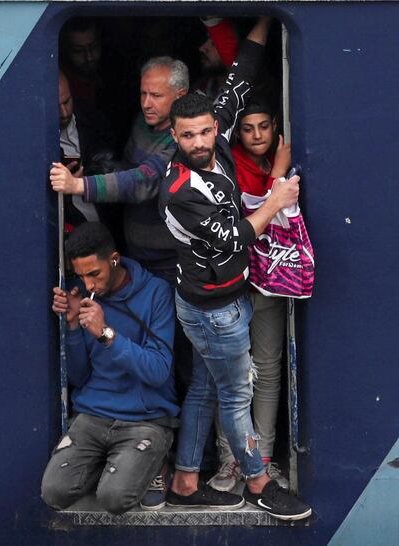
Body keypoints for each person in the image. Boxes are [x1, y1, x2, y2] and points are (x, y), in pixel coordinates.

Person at [159, 17, 312, 521]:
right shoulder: (181, 189)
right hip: (214, 309)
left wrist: (265, 19)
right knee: (235, 393)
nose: (201, 142)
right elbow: (236, 236)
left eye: (205, 131)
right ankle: (259, 480)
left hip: (218, 298)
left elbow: (241, 72)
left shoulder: (217, 128)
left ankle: (184, 479)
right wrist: (277, 195)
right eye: (188, 136)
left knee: (206, 386)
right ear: (174, 137)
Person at [41, 222, 178, 514]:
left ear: (114, 260)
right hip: (95, 414)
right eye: (81, 276)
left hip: (146, 418)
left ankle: (155, 463)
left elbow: (158, 371)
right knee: (54, 492)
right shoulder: (83, 295)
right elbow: (79, 377)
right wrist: (74, 326)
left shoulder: (156, 293)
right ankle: (116, 464)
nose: (89, 285)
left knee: (114, 499)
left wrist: (106, 334)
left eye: (94, 274)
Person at [208, 99, 292, 492]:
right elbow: (255, 213)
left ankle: (265, 458)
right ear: (236, 133)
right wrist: (277, 174)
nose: (257, 135)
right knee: (232, 374)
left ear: (275, 125)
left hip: (271, 279)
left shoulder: (283, 158)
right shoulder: (230, 165)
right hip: (232, 282)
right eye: (248, 128)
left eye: (264, 126)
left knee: (270, 369)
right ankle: (231, 460)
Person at [50, 55, 187, 282]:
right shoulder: (144, 121)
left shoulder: (184, 136)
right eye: (143, 93)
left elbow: (143, 180)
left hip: (171, 262)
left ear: (180, 95)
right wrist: (97, 168)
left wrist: (78, 185)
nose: (146, 103)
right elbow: (127, 167)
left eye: (156, 95)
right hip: (134, 253)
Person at [58, 71, 119, 230]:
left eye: (67, 102)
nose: (64, 113)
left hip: (105, 225)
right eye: (56, 106)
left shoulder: (92, 120)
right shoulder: (36, 140)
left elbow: (112, 163)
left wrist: (83, 179)